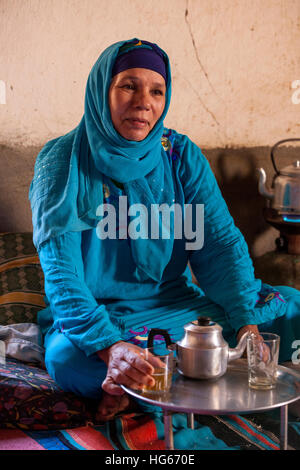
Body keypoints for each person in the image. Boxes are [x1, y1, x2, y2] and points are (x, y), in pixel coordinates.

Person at [29, 38, 300, 421]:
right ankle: (142, 375)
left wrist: (245, 328)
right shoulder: (63, 160)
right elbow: (62, 275)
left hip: (179, 310)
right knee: (67, 359)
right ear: (100, 90)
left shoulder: (179, 154)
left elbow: (220, 244)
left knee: (291, 307)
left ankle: (139, 385)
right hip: (106, 317)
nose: (144, 102)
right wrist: (111, 348)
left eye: (157, 91)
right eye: (128, 86)